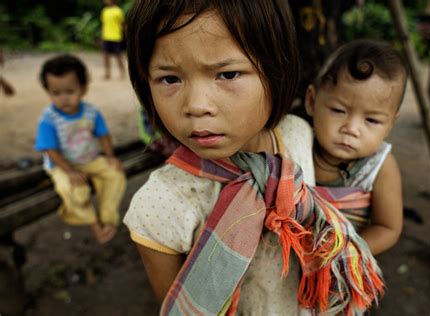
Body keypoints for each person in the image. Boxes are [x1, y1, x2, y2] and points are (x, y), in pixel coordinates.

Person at [124, 1, 384, 315]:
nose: (196, 105)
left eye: (228, 74)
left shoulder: (297, 134)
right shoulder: (160, 204)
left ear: (276, 70)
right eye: (169, 79)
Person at [304, 39, 407, 256]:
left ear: (390, 125)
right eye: (339, 110)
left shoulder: (379, 166)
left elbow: (387, 228)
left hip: (340, 273)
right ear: (312, 101)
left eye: (372, 120)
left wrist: (345, 253)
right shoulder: (297, 143)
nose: (351, 129)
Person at [35, 54, 126, 244]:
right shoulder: (48, 118)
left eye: (70, 91)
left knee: (115, 175)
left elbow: (103, 135)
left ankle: (108, 219)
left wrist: (110, 157)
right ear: (48, 91)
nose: (63, 98)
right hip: (61, 164)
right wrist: (69, 171)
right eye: (56, 93)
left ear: (83, 89)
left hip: (90, 158)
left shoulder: (92, 112)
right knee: (70, 190)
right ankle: (93, 224)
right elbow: (50, 150)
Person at [100, 0, 126, 79]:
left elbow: (122, 24)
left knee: (118, 55)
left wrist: (126, 35)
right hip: (106, 36)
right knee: (105, 55)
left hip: (116, 36)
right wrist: (101, 36)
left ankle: (122, 72)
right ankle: (107, 73)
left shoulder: (118, 11)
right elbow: (103, 24)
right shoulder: (104, 11)